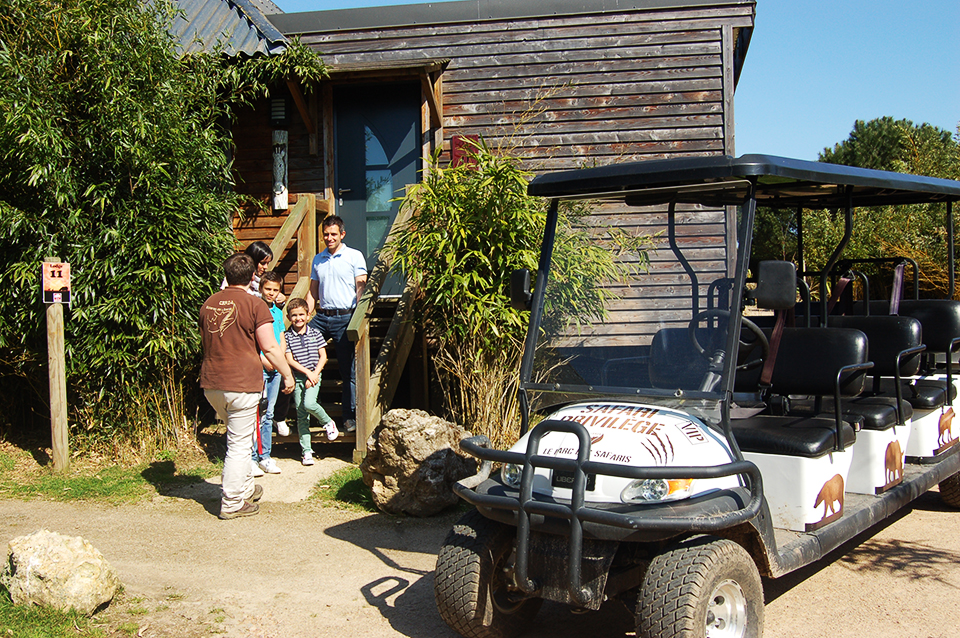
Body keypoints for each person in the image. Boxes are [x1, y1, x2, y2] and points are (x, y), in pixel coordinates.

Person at [200, 253, 294, 520]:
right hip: (241, 383)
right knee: (240, 444)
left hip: (212, 383)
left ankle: (246, 489)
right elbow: (270, 347)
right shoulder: (255, 305)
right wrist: (287, 375)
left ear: (226, 274)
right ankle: (232, 502)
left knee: (239, 437)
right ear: (253, 276)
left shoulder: (208, 304)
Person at [306, 216, 367, 433]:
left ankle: (349, 417)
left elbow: (361, 286)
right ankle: (311, 409)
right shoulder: (318, 259)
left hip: (345, 317)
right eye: (326, 234)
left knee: (347, 370)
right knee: (303, 354)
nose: (329, 238)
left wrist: (359, 316)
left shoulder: (354, 256)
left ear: (342, 234)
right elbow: (313, 290)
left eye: (333, 234)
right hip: (322, 316)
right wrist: (305, 315)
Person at [285, 298, 340, 465]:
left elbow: (323, 356)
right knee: (301, 415)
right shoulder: (287, 336)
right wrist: (307, 373)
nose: (298, 318)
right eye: (294, 315)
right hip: (300, 377)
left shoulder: (315, 333)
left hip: (315, 375)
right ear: (289, 317)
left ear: (308, 315)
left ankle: (328, 422)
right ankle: (306, 451)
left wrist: (314, 374)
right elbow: (290, 359)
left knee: (309, 404)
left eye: (301, 314)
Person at [252, 271, 287, 475]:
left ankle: (265, 456)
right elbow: (253, 341)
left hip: (275, 368)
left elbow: (281, 338)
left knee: (269, 413)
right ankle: (252, 457)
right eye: (268, 289)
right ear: (261, 288)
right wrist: (264, 359)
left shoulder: (277, 312)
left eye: (275, 290)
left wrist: (279, 360)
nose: (271, 293)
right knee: (258, 413)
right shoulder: (255, 309)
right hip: (261, 366)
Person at [222, 241, 287, 305]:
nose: (266, 267)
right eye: (262, 263)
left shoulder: (265, 279)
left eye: (268, 263)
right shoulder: (235, 278)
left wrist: (280, 299)